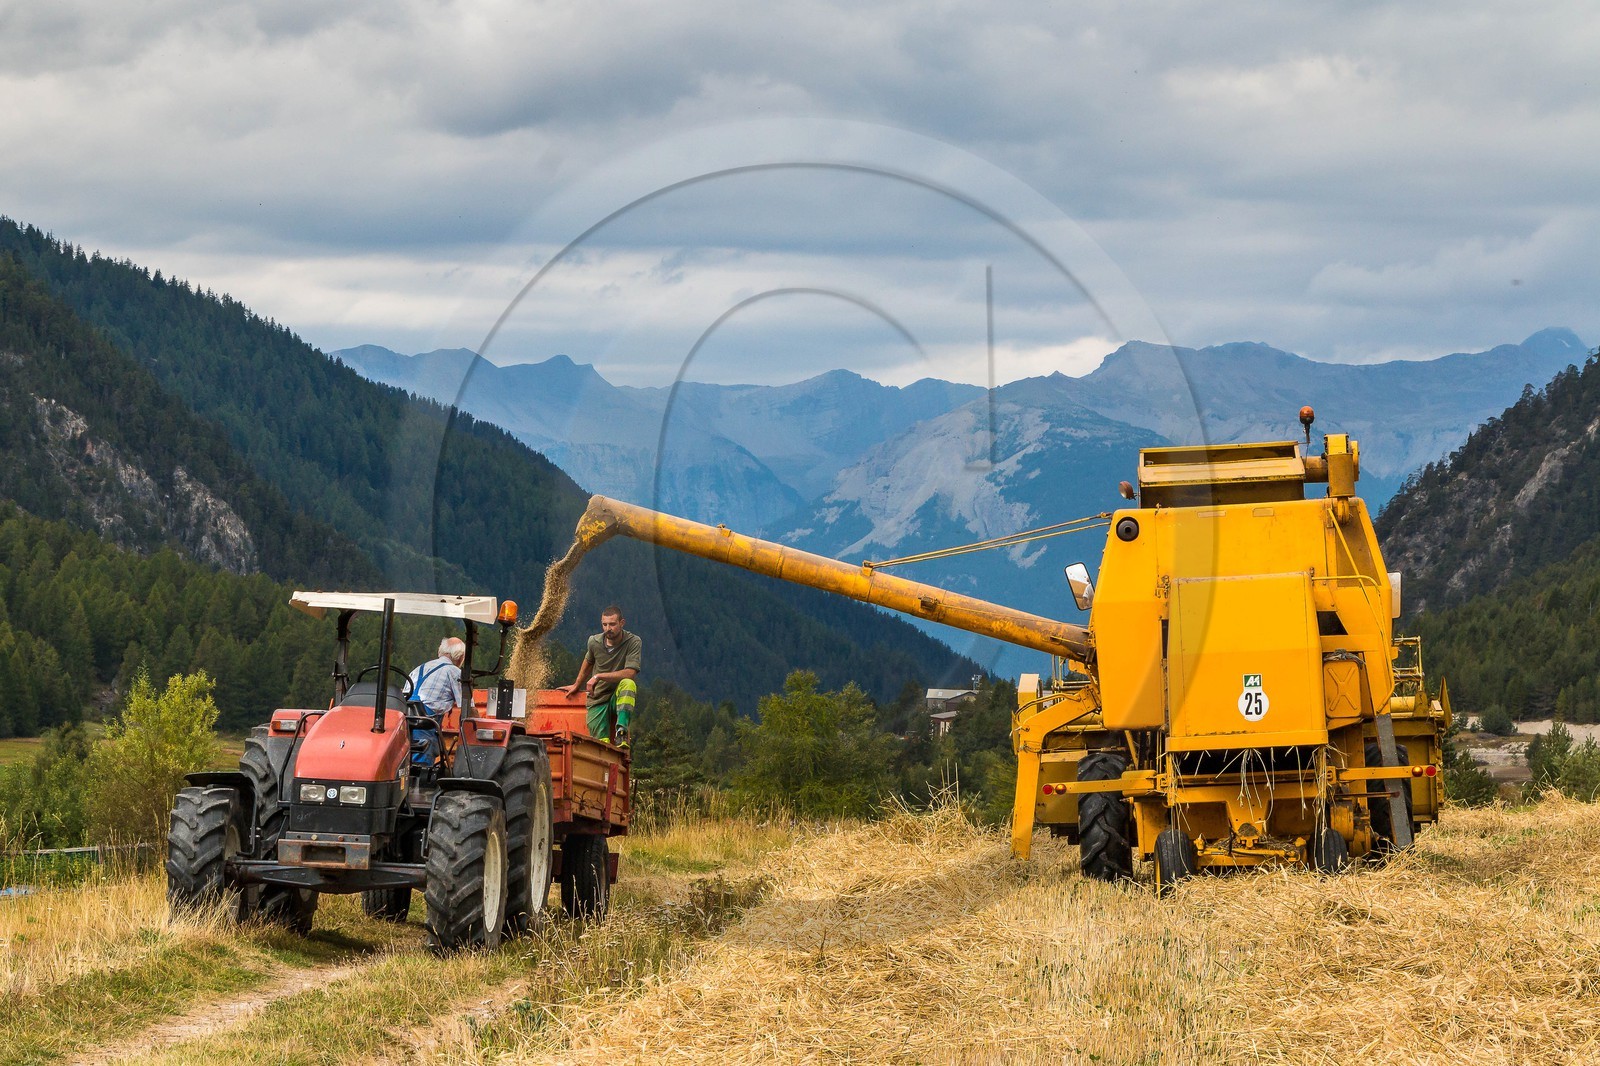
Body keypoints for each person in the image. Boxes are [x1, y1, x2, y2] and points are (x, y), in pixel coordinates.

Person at [563, 605, 640, 746]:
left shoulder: (633, 642)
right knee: (601, 746)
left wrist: (598, 676)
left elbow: (630, 673)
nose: (607, 628)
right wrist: (577, 684)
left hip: (616, 697)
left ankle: (621, 732)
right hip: (597, 699)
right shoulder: (594, 642)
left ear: (622, 623)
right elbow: (588, 661)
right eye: (604, 624)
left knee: (629, 684)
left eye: (612, 624)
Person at [407, 637, 465, 766]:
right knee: (421, 770)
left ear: (441, 652)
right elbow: (467, 707)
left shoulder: (418, 669)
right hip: (425, 724)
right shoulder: (454, 672)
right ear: (460, 656)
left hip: (405, 720)